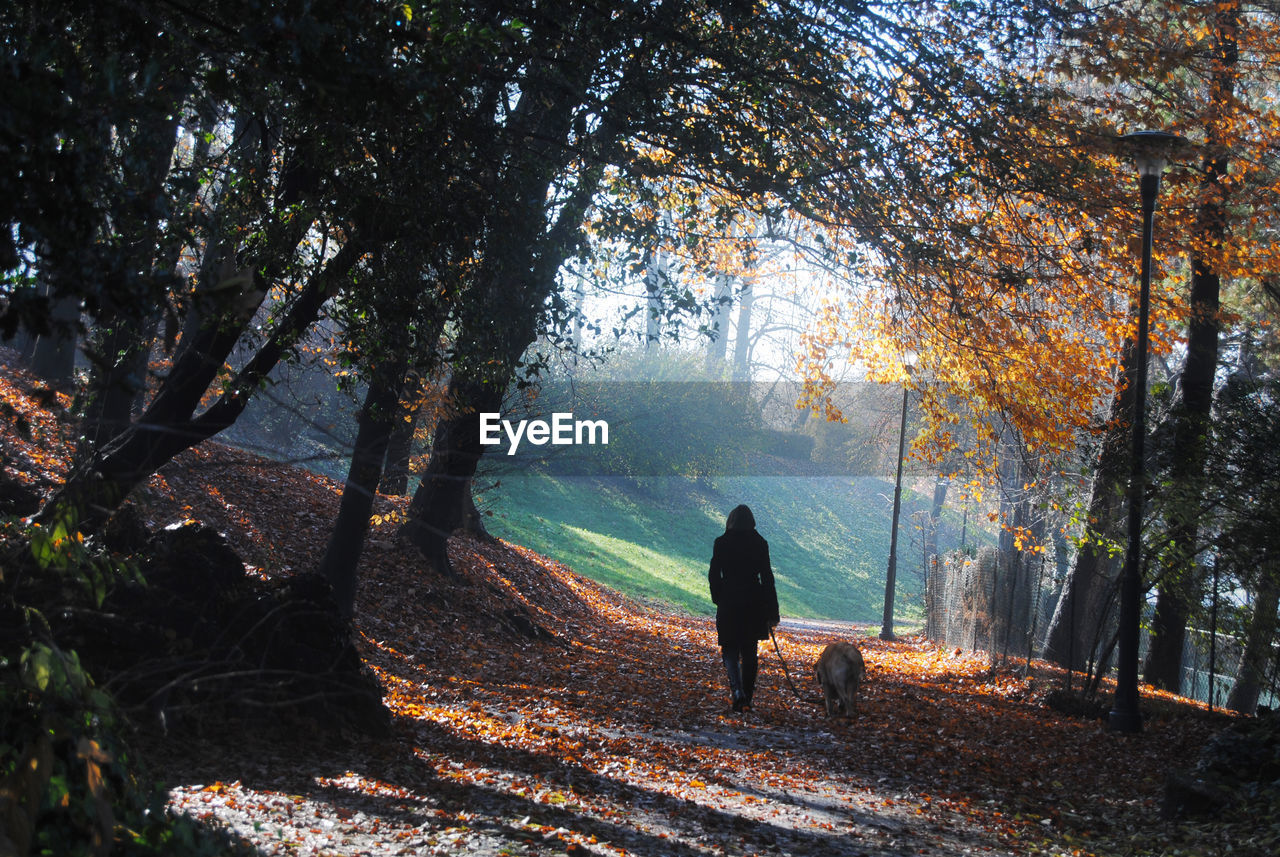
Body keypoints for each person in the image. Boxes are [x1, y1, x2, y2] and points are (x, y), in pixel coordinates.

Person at [708, 504, 779, 712]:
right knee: (749, 650)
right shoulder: (760, 543)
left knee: (729, 648)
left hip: (729, 600)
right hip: (753, 601)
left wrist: (718, 597)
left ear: (731, 520)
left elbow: (714, 574)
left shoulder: (721, 542)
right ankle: (747, 696)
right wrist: (772, 611)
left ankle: (737, 691)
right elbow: (767, 578)